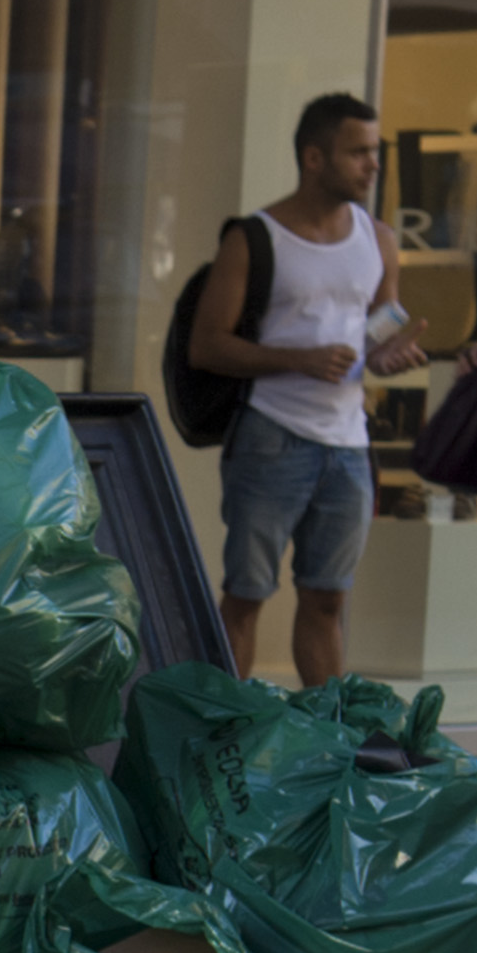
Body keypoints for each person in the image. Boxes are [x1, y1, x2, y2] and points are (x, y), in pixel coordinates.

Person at [187, 90, 435, 684]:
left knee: (328, 601)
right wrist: (295, 359)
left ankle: (326, 745)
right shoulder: (256, 238)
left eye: (376, 152)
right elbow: (207, 345)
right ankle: (225, 735)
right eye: (358, 152)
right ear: (314, 158)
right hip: (272, 437)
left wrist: (388, 356)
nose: (373, 165)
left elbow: (378, 328)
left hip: (349, 446)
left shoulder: (378, 240)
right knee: (245, 597)